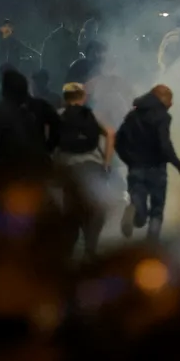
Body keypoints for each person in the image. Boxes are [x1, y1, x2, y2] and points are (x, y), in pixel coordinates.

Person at [115, 85, 180, 241]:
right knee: (156, 211)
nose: (171, 104)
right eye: (170, 99)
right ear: (161, 97)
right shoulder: (162, 116)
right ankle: (151, 246)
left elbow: (118, 141)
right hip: (157, 169)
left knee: (138, 203)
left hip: (136, 168)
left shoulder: (132, 115)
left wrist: (129, 160)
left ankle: (135, 211)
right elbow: (165, 145)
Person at [55, 82, 113, 258]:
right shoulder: (91, 114)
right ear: (83, 97)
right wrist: (107, 161)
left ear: (65, 98)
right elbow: (110, 133)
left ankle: (68, 251)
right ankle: (91, 246)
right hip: (93, 165)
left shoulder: (57, 115)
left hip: (67, 168)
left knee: (68, 206)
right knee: (97, 207)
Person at [0, 69, 60, 173]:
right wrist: (48, 148)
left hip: (9, 166)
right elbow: (57, 126)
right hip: (37, 163)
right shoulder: (41, 106)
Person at [39, 21, 79, 89]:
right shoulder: (71, 43)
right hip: (63, 80)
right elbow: (74, 62)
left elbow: (43, 61)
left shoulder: (49, 40)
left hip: (49, 79)